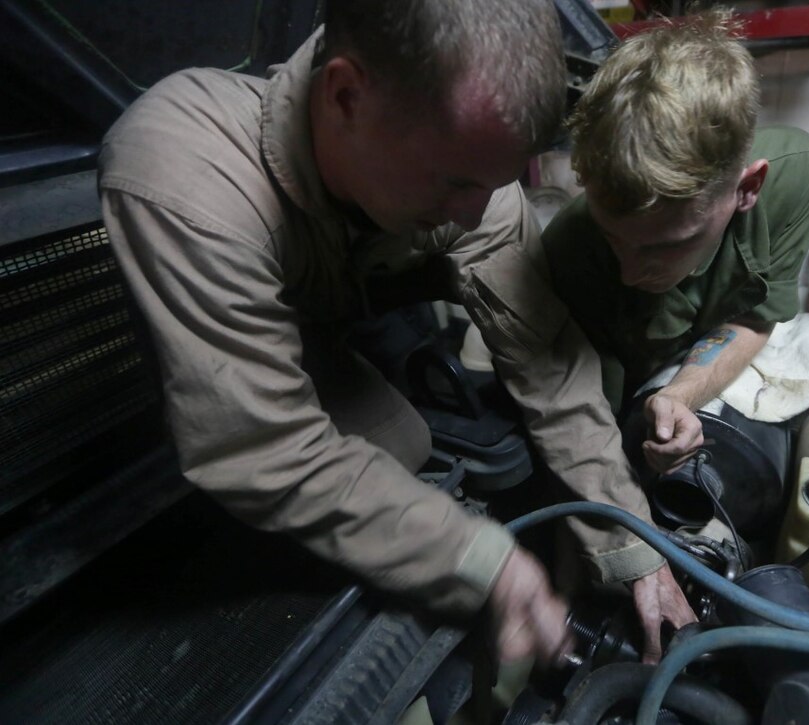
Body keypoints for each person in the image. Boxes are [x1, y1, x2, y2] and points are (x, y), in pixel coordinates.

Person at [98, 0, 578, 664]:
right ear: (346, 95)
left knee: (406, 446)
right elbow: (267, 446)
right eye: (457, 182)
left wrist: (631, 547)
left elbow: (549, 365)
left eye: (494, 182)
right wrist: (484, 560)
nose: (474, 215)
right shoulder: (184, 172)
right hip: (192, 420)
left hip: (306, 358)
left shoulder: (462, 164)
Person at [541, 12, 809, 529]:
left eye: (664, 245)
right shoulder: (568, 246)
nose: (629, 273)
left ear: (747, 189)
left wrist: (680, 395)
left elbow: (758, 318)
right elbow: (588, 426)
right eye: (613, 238)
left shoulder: (795, 176)